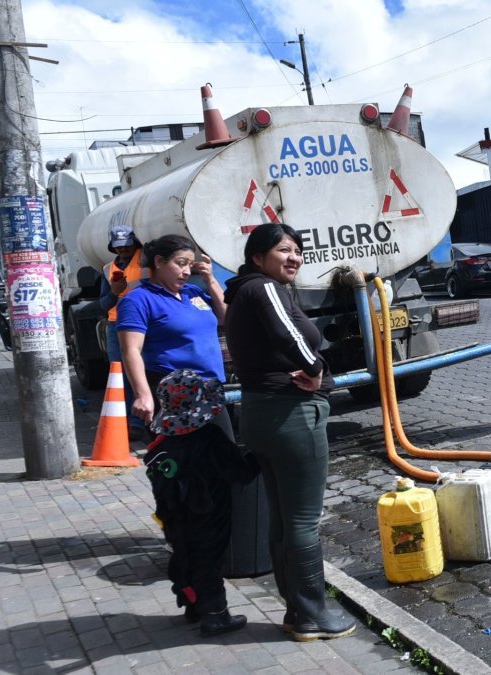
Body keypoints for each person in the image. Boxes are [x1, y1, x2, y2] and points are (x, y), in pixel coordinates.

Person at [222, 222, 356, 641]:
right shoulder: (263, 288)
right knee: (302, 521)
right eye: (284, 250)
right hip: (291, 414)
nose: (294, 257)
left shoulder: (244, 290)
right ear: (258, 256)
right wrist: (316, 370)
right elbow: (292, 336)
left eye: (297, 250)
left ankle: (297, 610)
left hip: (264, 413)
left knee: (283, 520)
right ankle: (314, 613)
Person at [145, 369, 256, 637]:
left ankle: (192, 606)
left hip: (173, 516)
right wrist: (258, 457)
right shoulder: (209, 440)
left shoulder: (161, 444)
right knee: (209, 563)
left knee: (184, 556)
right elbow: (238, 472)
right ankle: (215, 615)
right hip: (208, 515)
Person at [115, 234, 227, 429]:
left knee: (223, 453)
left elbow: (226, 317)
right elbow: (130, 350)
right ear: (158, 261)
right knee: (181, 457)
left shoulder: (192, 292)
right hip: (173, 392)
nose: (186, 271)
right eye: (181, 263)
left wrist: (210, 280)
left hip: (211, 387)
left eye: (190, 265)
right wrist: (143, 395)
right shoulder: (138, 300)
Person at [98, 225, 146, 435]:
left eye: (127, 246)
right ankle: (132, 424)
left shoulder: (147, 261)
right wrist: (114, 293)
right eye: (119, 247)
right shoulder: (109, 269)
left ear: (135, 243)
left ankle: (146, 419)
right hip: (116, 324)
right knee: (121, 374)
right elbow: (103, 304)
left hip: (143, 324)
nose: (123, 251)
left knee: (145, 371)